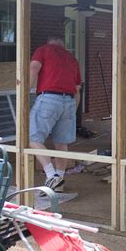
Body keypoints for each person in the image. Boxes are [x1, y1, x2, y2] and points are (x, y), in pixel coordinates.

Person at [29, 36, 82, 192]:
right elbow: (77, 89)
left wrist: (24, 91)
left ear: (49, 43)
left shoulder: (43, 50)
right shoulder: (72, 58)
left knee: (33, 138)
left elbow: (33, 68)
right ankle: (59, 181)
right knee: (61, 143)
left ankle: (51, 176)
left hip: (49, 98)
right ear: (63, 45)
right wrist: (73, 109)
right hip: (70, 100)